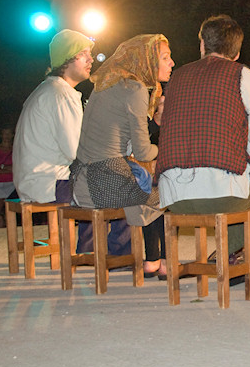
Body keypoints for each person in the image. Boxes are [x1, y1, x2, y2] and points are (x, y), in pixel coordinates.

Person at [155, 14, 250, 288]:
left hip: (174, 197)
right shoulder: (245, 76)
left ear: (202, 45)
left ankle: (230, 258)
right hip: (222, 195)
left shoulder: (176, 77)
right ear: (237, 52)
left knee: (241, 178)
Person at [70, 34, 174, 278]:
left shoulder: (108, 83)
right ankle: (164, 262)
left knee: (146, 186)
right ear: (146, 60)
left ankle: (153, 261)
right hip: (104, 181)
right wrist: (169, 150)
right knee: (168, 194)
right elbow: (143, 151)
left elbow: (124, 141)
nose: (171, 63)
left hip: (82, 178)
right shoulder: (134, 88)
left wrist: (155, 126)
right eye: (165, 58)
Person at [14, 29, 94, 205]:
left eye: (90, 54)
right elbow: (76, 151)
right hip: (51, 184)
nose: (91, 59)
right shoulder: (61, 95)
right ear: (66, 59)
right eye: (83, 54)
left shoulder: (49, 89)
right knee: (119, 192)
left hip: (36, 182)